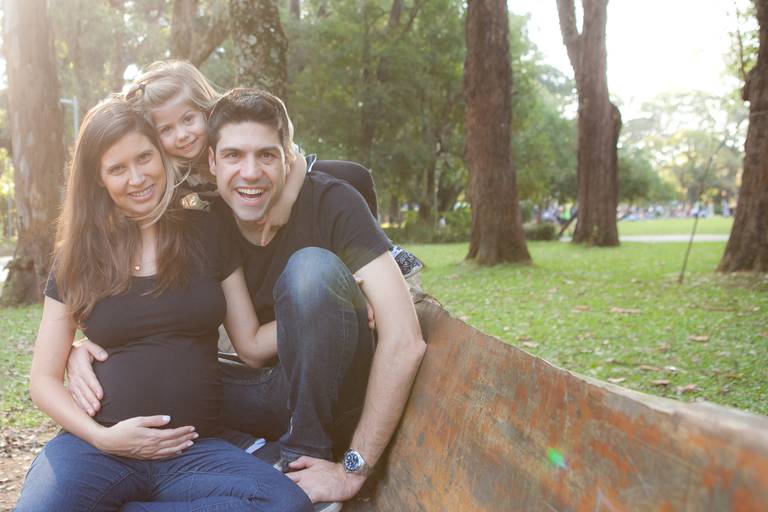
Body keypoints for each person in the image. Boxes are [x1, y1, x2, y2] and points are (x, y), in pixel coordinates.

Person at [69, 85, 427, 508]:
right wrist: (84, 348)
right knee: (173, 375)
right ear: (212, 161)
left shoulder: (334, 202)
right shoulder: (206, 220)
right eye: (235, 156)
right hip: (263, 390)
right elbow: (247, 347)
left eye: (267, 155)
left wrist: (353, 469)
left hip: (331, 398)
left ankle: (303, 460)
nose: (251, 172)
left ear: (289, 158)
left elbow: (406, 340)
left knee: (311, 271)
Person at [14, 97, 312, 512]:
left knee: (284, 503)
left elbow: (251, 343)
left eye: (144, 158)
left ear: (162, 154)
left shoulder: (206, 229)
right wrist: (102, 436)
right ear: (98, 178)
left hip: (192, 451)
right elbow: (43, 380)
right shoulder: (78, 257)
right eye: (117, 168)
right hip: (97, 450)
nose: (137, 178)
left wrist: (322, 313)